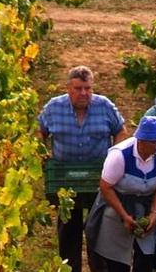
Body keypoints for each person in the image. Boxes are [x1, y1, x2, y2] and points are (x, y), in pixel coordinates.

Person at [38, 66, 128, 272]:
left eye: (88, 88)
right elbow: (40, 131)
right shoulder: (54, 107)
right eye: (78, 88)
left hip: (99, 178)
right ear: (68, 88)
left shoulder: (104, 106)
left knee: (98, 229)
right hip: (64, 180)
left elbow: (121, 131)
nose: (84, 93)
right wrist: (43, 155)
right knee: (68, 231)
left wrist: (114, 156)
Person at [86, 116, 156, 272]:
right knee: (115, 261)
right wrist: (124, 216)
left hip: (145, 206)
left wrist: (154, 214)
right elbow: (105, 187)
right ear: (141, 140)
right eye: (153, 142)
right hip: (117, 203)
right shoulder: (120, 155)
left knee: (146, 259)